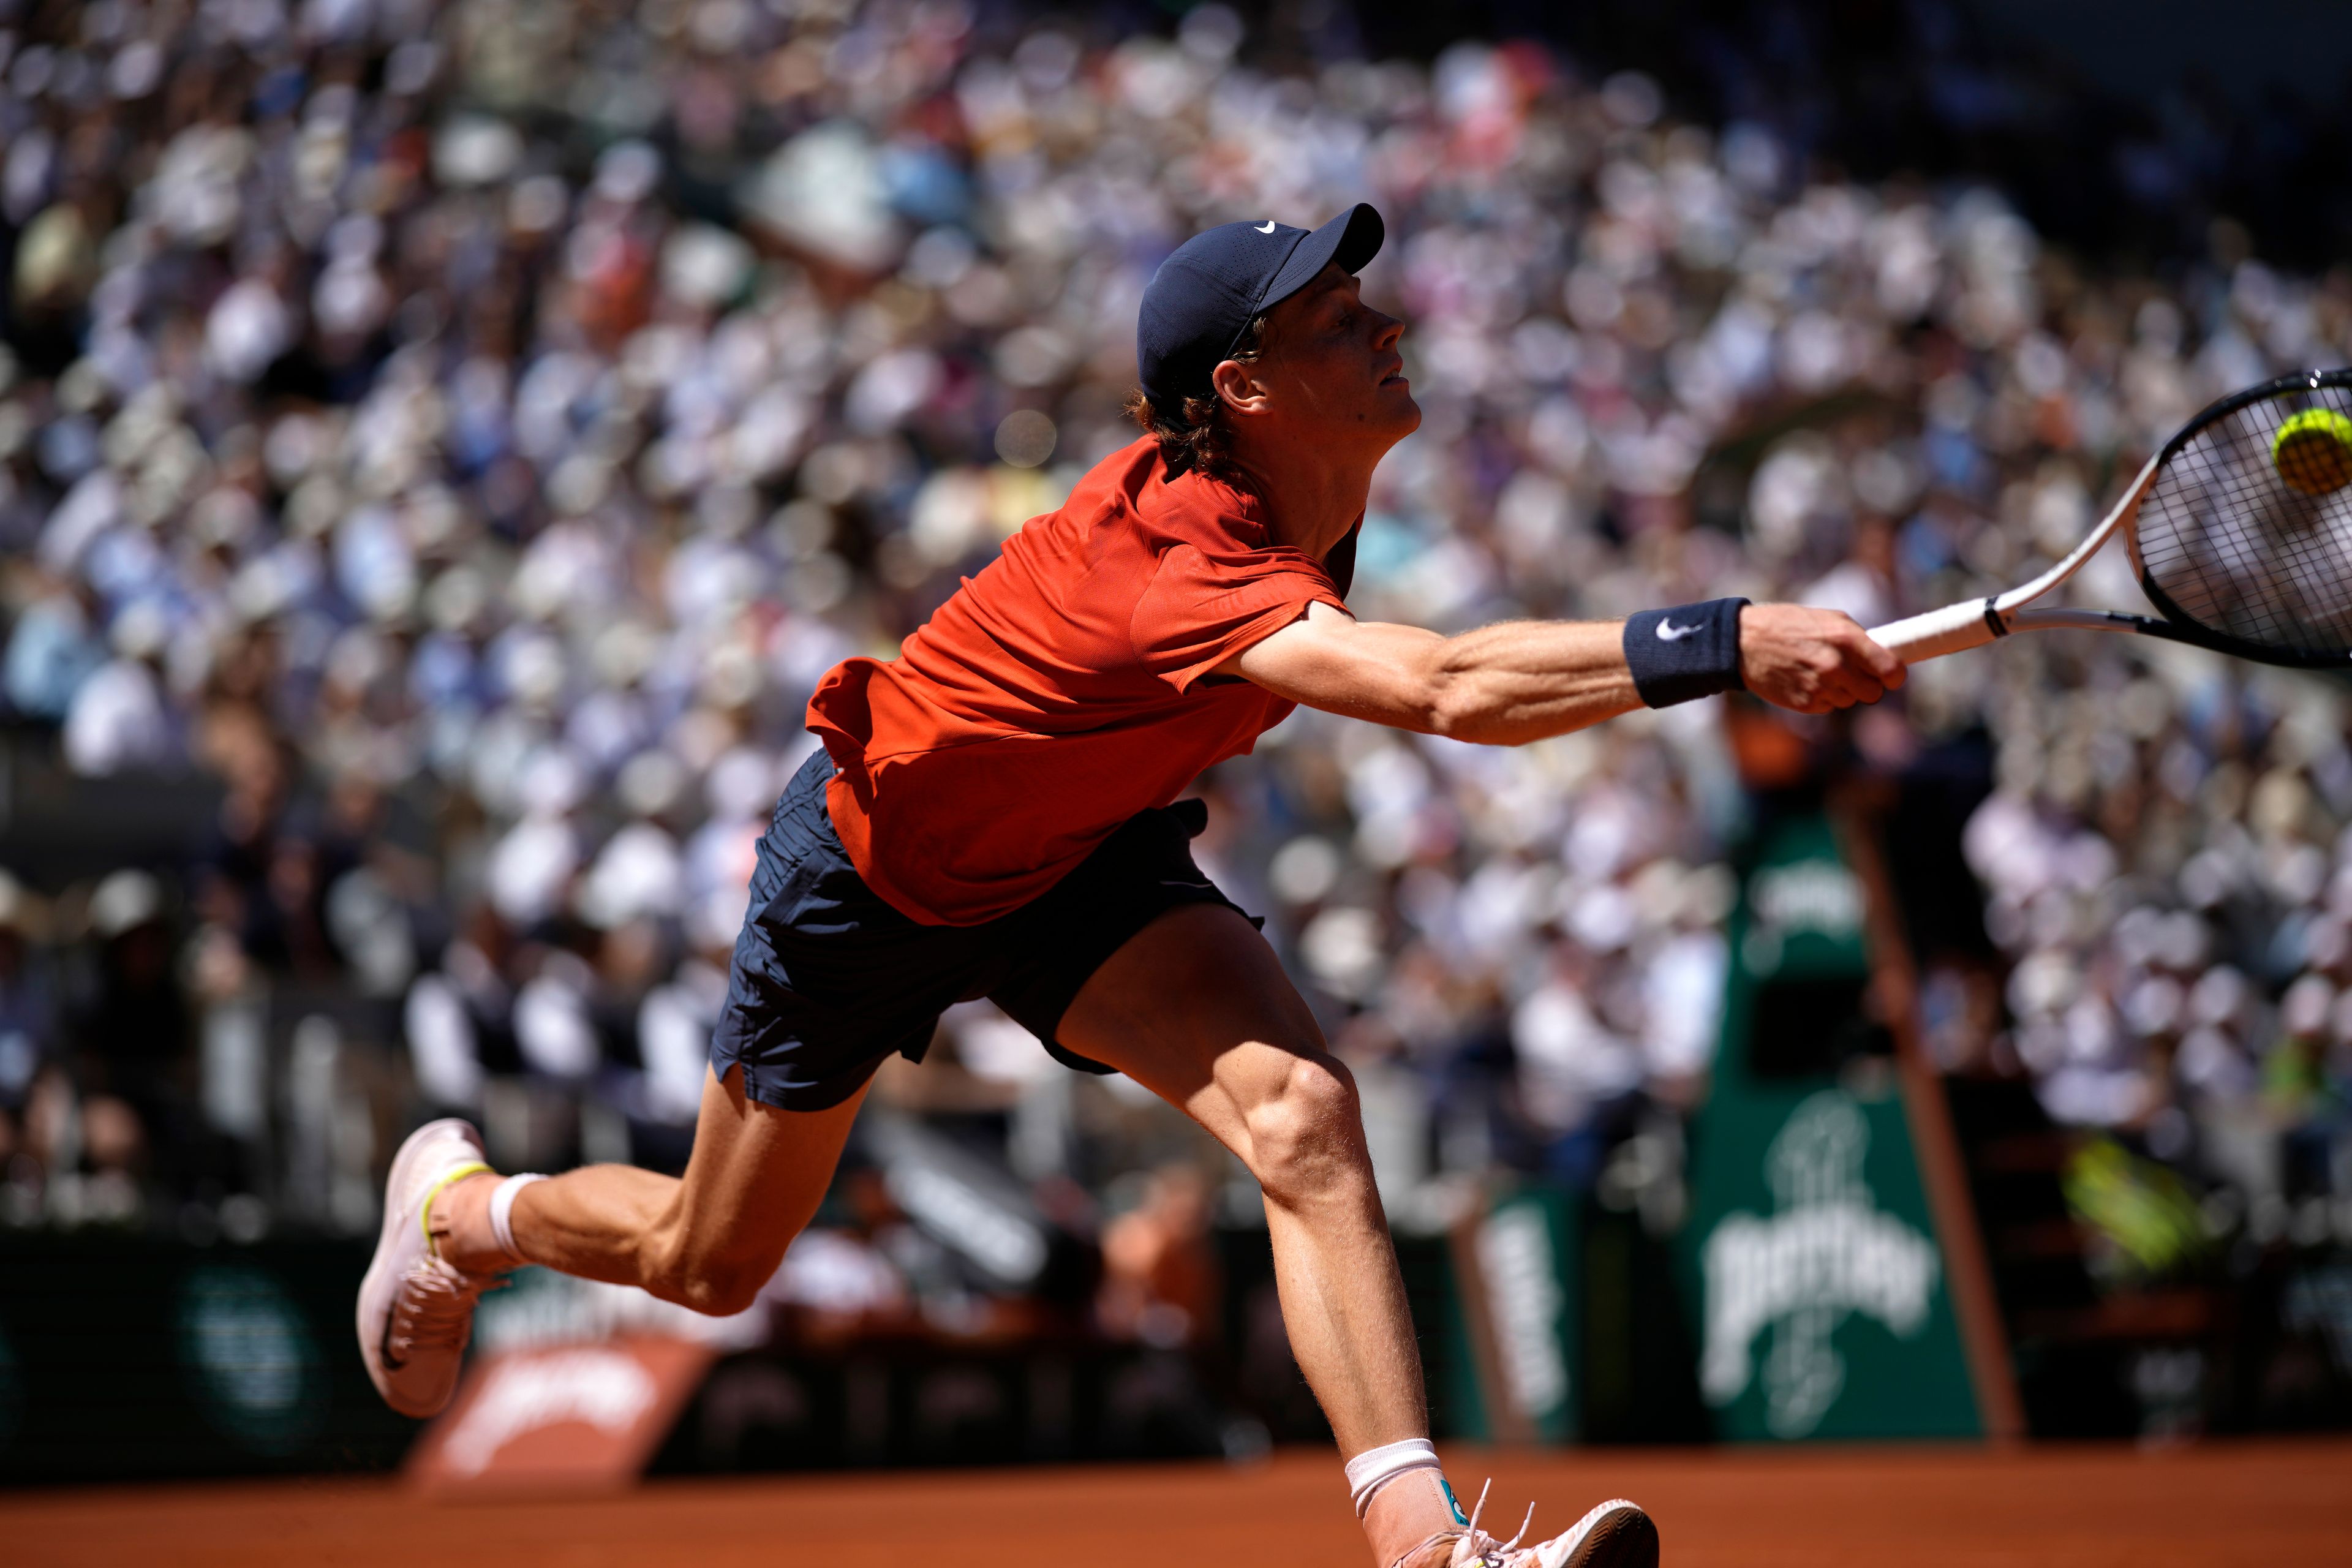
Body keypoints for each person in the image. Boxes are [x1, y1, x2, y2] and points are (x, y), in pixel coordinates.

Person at [358, 205, 1902, 1568]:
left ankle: (1427, 1552)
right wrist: (1728, 638)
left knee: (1303, 1114)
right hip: (876, 865)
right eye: (1339, 322)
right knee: (710, 1260)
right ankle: (464, 1210)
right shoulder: (1181, 561)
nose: (1390, 326)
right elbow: (1443, 690)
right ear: (1242, 389)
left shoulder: (1317, 494)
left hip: (1076, 855)